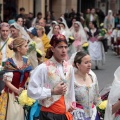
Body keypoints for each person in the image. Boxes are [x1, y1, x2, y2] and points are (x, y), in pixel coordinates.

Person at [27, 34, 75, 120]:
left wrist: (71, 104)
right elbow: (31, 91)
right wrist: (52, 91)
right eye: (60, 47)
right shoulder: (43, 68)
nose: (64, 50)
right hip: (49, 115)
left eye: (65, 47)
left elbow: (71, 89)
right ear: (52, 49)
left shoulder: (69, 67)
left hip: (65, 114)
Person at [0, 38, 32, 120]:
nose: (27, 48)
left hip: (23, 95)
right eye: (25, 46)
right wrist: (17, 91)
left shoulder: (26, 61)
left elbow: (29, 78)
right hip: (11, 95)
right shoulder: (9, 62)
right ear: (18, 49)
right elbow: (7, 82)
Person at [72, 51, 101, 120]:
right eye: (86, 63)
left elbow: (97, 97)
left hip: (94, 114)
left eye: (90, 62)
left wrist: (101, 108)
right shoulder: (72, 80)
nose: (89, 65)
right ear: (78, 65)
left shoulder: (93, 77)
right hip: (77, 115)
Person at [0, 22, 13, 93]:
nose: (5, 33)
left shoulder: (12, 41)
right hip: (0, 70)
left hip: (9, 69)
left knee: (7, 91)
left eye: (6, 31)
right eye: (3, 31)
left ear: (9, 31)